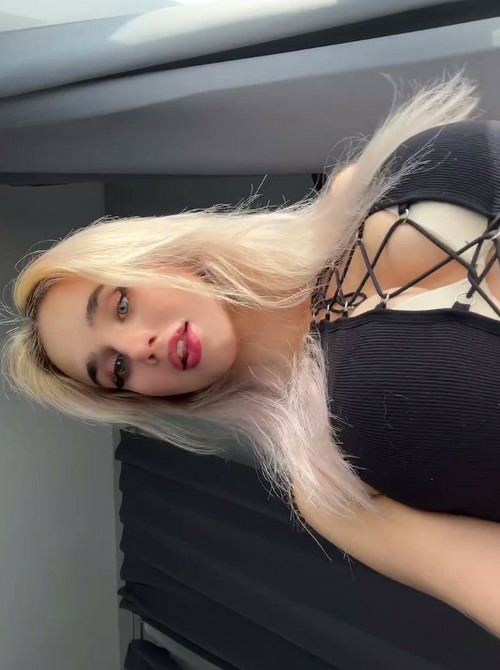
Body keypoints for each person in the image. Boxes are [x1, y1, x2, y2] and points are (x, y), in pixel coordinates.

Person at [2, 75, 500, 637]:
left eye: (120, 305)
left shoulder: (362, 187)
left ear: (156, 257)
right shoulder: (326, 480)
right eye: (116, 370)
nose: (139, 347)